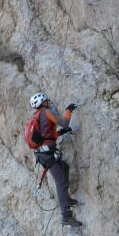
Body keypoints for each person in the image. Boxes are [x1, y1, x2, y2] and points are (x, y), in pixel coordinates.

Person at [29, 92, 82, 227]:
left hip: (43, 153)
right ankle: (66, 216)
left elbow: (46, 135)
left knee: (64, 167)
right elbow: (64, 122)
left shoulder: (37, 116)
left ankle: (67, 199)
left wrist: (60, 133)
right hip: (48, 154)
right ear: (43, 103)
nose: (48, 102)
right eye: (46, 100)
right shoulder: (45, 112)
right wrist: (69, 110)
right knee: (61, 182)